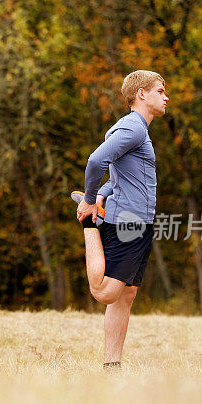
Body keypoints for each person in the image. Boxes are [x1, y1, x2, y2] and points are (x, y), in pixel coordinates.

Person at [71, 70, 168, 369]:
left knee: (125, 295)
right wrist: (90, 200)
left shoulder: (135, 129)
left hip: (140, 223)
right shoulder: (134, 129)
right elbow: (95, 161)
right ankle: (89, 224)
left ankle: (112, 366)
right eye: (160, 91)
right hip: (126, 222)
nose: (166, 97)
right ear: (142, 94)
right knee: (105, 292)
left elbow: (117, 173)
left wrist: (101, 192)